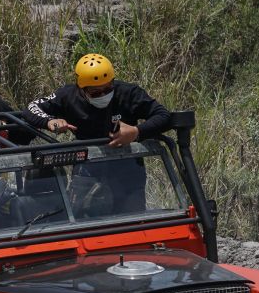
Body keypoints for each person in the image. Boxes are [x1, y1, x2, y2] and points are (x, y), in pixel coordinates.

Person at [25, 53, 171, 212]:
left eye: (108, 89)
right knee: (83, 216)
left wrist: (136, 132)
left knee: (132, 220)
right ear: (81, 89)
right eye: (95, 93)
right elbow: (31, 108)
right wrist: (50, 121)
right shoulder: (68, 96)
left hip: (128, 169)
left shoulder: (129, 93)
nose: (103, 95)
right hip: (87, 170)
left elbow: (164, 115)